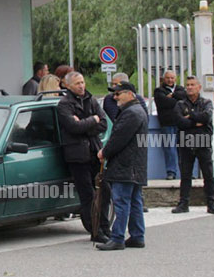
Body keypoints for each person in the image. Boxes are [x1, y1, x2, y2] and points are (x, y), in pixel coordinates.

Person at [57, 71, 110, 242]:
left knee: (104, 191)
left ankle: (105, 226)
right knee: (87, 195)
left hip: (94, 151)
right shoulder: (64, 104)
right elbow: (73, 127)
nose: (81, 86)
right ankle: (95, 231)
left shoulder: (91, 100)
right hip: (77, 156)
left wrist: (85, 123)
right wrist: (91, 120)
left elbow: (103, 123)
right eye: (77, 83)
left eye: (82, 82)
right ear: (69, 86)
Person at [96, 80, 148, 251]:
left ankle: (118, 237)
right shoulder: (135, 110)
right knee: (134, 201)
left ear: (130, 94)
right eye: (114, 94)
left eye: (119, 93)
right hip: (133, 165)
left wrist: (104, 152)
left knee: (121, 200)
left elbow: (118, 138)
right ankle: (137, 235)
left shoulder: (131, 113)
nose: (115, 96)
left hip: (126, 166)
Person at [172, 76, 214, 215]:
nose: (189, 87)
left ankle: (211, 203)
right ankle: (183, 203)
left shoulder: (206, 103)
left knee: (208, 174)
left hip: (202, 142)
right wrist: (195, 122)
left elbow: (206, 118)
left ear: (199, 87)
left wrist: (190, 116)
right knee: (185, 174)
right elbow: (180, 122)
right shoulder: (180, 104)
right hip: (185, 143)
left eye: (192, 84)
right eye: (187, 85)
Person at [153, 70, 186, 179]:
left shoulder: (180, 89)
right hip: (167, 124)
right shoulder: (159, 91)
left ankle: (186, 173)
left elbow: (184, 100)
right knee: (169, 149)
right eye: (168, 78)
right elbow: (164, 103)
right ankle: (171, 172)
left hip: (181, 124)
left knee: (183, 149)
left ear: (175, 78)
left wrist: (173, 96)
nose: (170, 80)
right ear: (164, 79)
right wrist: (176, 100)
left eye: (172, 78)